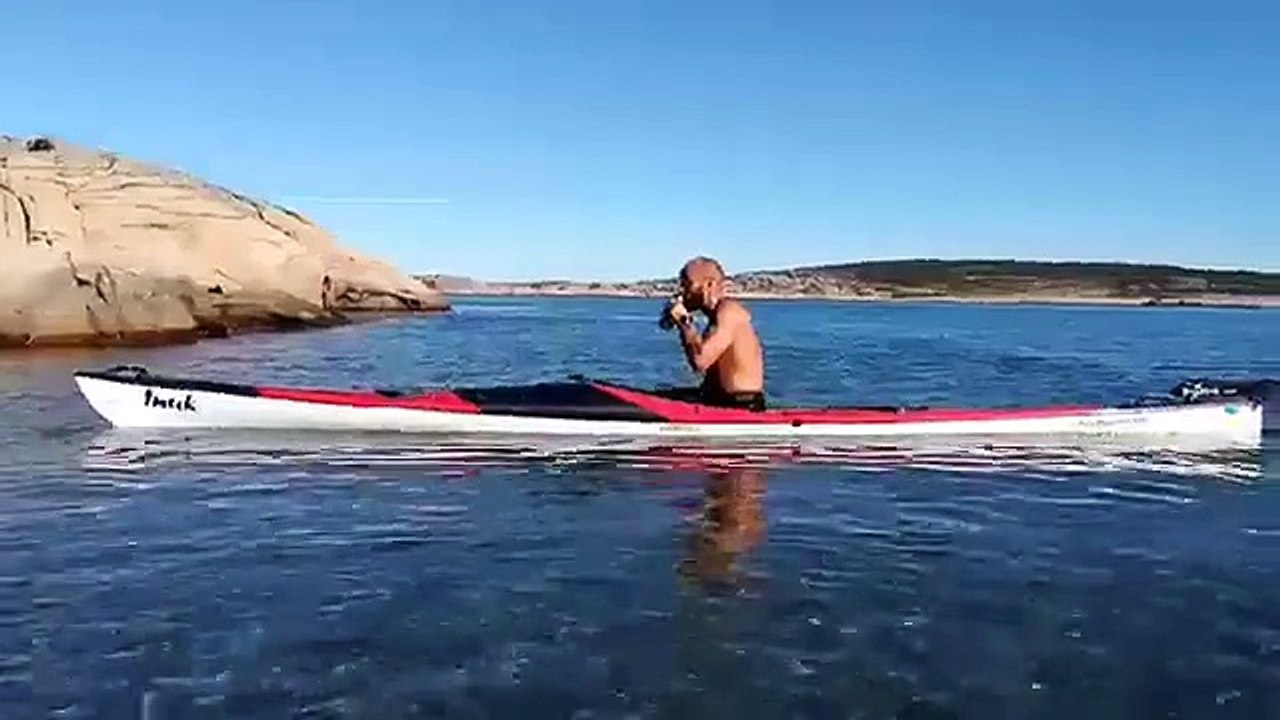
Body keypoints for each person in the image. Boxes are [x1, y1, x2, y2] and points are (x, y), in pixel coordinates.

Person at [659, 257, 766, 410]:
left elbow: (700, 361)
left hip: (739, 405)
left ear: (709, 285)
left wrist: (684, 321)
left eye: (687, 284)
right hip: (714, 398)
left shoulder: (728, 312)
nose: (682, 292)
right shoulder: (716, 316)